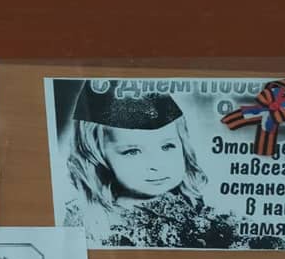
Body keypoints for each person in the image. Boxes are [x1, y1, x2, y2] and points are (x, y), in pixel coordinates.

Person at [62, 81, 208, 244]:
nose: (157, 164)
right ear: (98, 155)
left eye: (167, 146)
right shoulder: (90, 222)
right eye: (132, 151)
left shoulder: (194, 209)